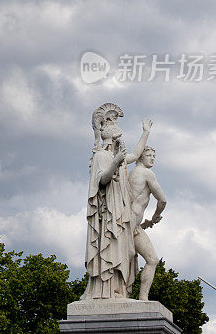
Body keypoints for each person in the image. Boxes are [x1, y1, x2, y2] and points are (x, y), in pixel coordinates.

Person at [81, 103, 151, 299]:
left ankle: (119, 290)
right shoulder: (101, 156)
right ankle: (106, 291)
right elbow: (102, 180)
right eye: (112, 121)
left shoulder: (114, 156)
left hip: (120, 213)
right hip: (107, 215)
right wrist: (115, 161)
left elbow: (136, 155)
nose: (115, 124)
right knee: (110, 249)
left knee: (123, 252)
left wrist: (145, 132)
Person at [127, 146, 167, 300]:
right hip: (130, 226)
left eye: (154, 156)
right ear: (140, 157)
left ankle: (140, 297)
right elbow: (162, 200)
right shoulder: (147, 173)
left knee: (151, 260)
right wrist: (156, 216)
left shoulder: (131, 174)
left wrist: (147, 222)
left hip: (133, 225)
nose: (152, 158)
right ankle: (142, 297)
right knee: (150, 260)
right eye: (149, 155)